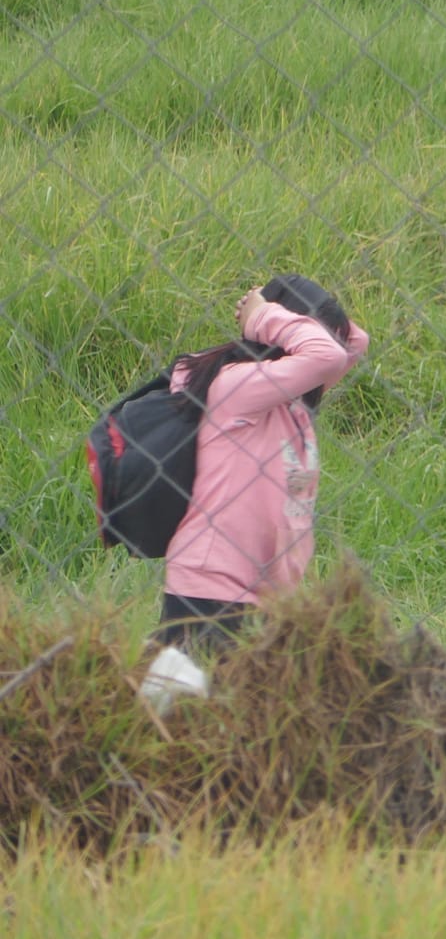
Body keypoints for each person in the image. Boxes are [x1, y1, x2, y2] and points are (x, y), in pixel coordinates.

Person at [149, 274, 371, 662]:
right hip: (211, 589)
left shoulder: (292, 397)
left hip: (269, 598)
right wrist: (264, 314)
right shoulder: (238, 388)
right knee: (203, 714)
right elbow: (328, 355)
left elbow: (353, 345)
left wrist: (277, 311)